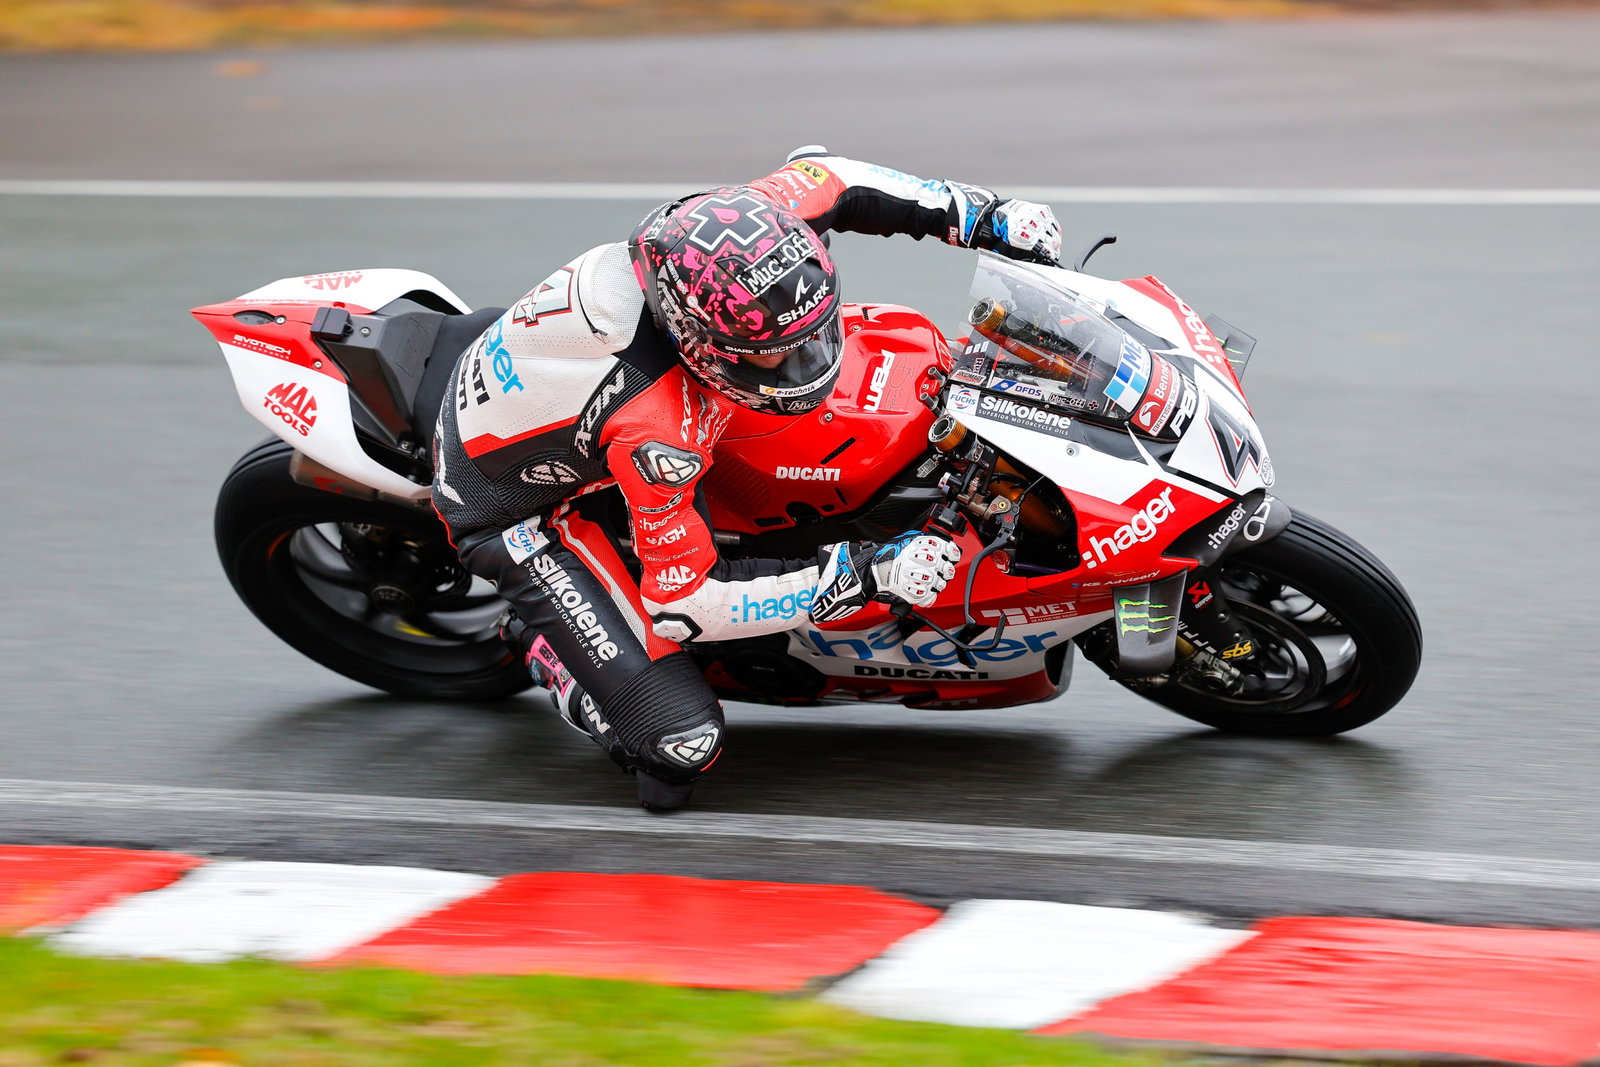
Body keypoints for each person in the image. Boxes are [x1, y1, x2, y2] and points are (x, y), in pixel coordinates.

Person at [430, 147, 1063, 810]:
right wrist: (873, 572)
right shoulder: (661, 426)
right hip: (524, 509)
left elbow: (835, 175)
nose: (805, 361)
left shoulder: (744, 232)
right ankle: (536, 642)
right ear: (697, 342)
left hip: (558, 396)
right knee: (681, 746)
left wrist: (984, 215)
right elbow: (687, 604)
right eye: (773, 354)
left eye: (811, 338)